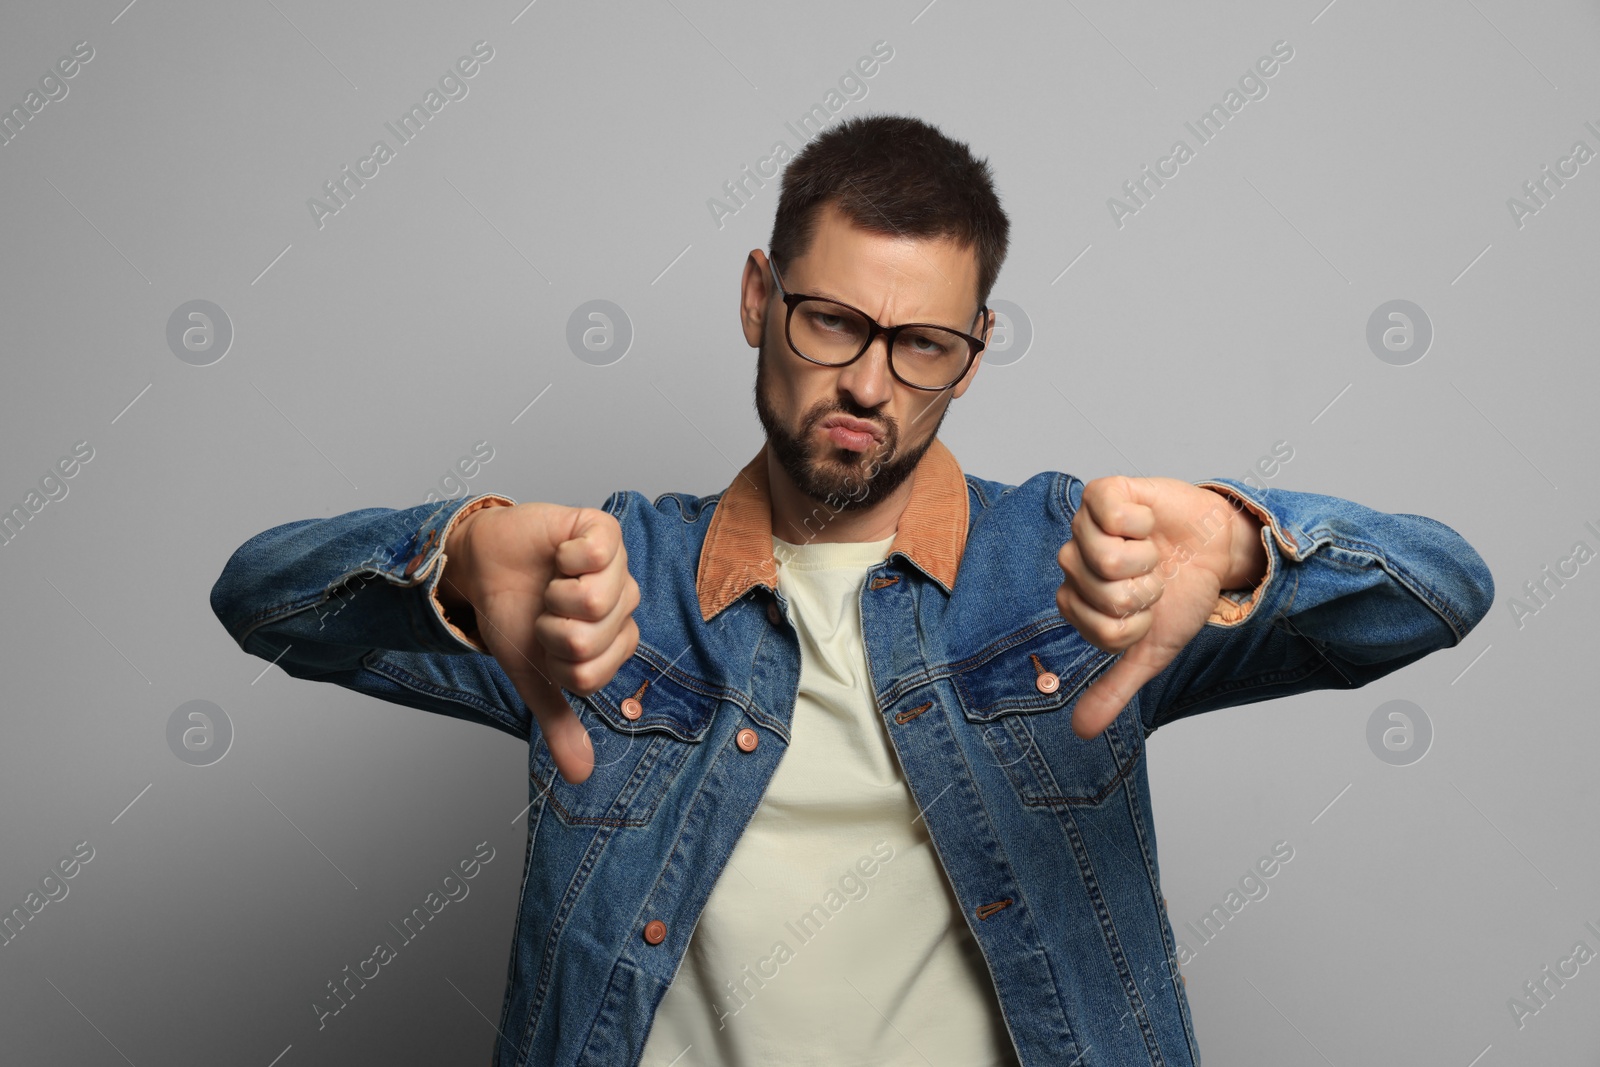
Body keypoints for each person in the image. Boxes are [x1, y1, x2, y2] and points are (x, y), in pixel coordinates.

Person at [209, 113, 1495, 1067]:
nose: (870, 384)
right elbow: (263, 600)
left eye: (923, 343)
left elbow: (1438, 590)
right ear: (760, 298)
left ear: (972, 357)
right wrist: (453, 550)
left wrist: (1239, 544)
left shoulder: (1079, 573)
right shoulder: (606, 578)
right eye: (832, 321)